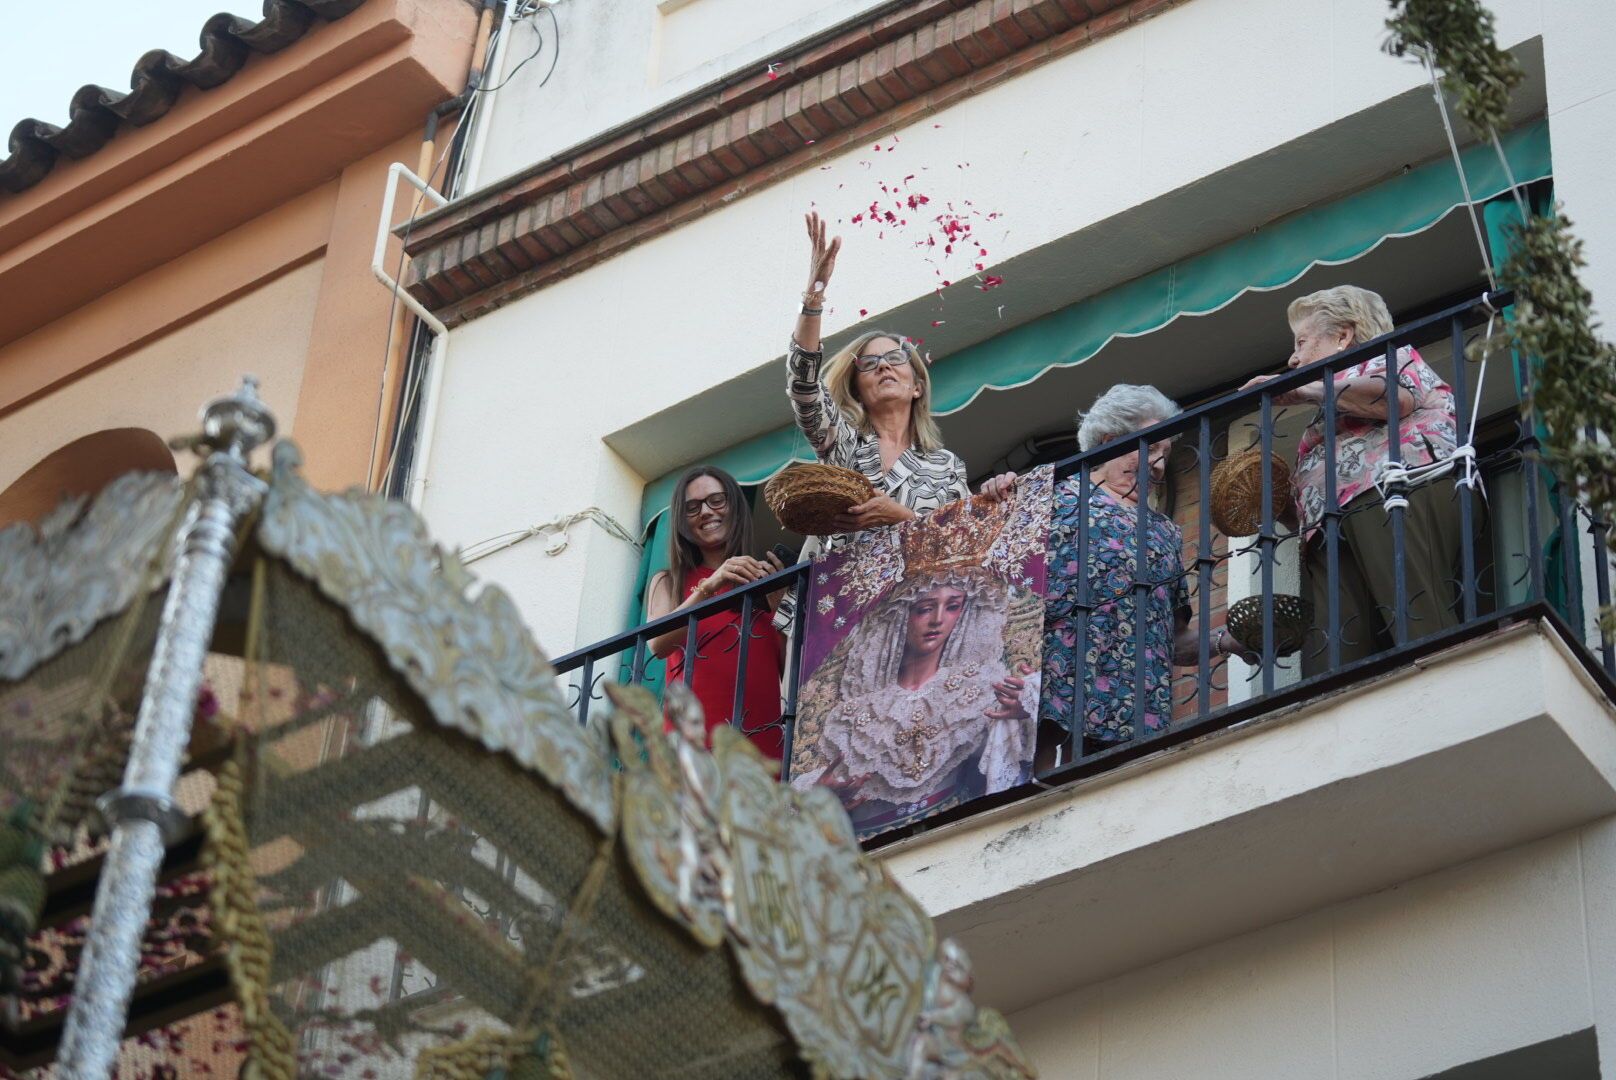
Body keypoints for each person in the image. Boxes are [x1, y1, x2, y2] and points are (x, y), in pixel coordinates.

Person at [775, 212, 1016, 629]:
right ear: (858, 389)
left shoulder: (946, 467)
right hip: (836, 615)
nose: (883, 367)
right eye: (869, 364)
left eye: (894, 359)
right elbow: (804, 389)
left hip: (914, 619)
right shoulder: (844, 444)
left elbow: (959, 547)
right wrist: (814, 296)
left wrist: (897, 514)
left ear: (916, 385)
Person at [1240, 285, 1461, 675]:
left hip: (1391, 496)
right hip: (1331, 527)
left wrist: (1306, 389)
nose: (1292, 358)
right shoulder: (1325, 415)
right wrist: (1275, 502)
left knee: (1417, 617)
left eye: (1301, 342)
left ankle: (1447, 679)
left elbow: (1396, 398)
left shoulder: (1389, 356)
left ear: (1343, 336)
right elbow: (1303, 512)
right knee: (1336, 652)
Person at [1040, 385, 1248, 764]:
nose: (1158, 464)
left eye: (1165, 454)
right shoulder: (1054, 499)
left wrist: (1227, 641)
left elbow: (1173, 639)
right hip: (1049, 693)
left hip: (1134, 708)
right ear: (1111, 440)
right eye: (1151, 448)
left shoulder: (1163, 531)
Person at [792, 565, 1040, 837]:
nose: (937, 620)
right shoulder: (853, 711)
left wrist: (1026, 708)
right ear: (899, 617)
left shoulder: (980, 686)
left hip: (951, 832)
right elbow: (812, 781)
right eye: (924, 609)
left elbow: (1004, 762)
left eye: (952, 606)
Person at [646, 466, 787, 759]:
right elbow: (657, 643)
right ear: (682, 522)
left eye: (716, 500)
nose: (706, 512)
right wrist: (710, 586)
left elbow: (790, 671)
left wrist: (780, 606)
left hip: (762, 744)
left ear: (735, 507)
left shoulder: (765, 583)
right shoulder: (669, 581)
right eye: (692, 507)